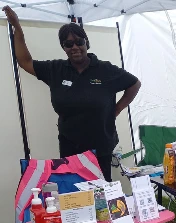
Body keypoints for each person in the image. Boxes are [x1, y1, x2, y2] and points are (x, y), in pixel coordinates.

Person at [2, 6, 141, 181]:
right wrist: (17, 28)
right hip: (70, 148)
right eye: (68, 44)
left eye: (79, 41)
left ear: (86, 43)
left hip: (100, 148)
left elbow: (134, 83)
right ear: (63, 47)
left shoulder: (105, 70)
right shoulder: (56, 69)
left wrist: (118, 108)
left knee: (100, 197)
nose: (74, 47)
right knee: (74, 195)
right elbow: (25, 61)